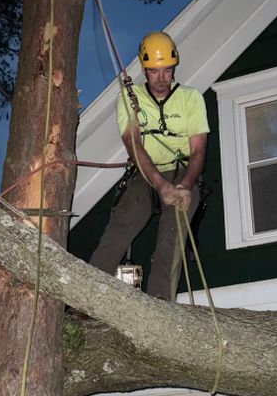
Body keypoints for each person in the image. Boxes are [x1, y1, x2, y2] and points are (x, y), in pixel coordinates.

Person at [89, 31, 209, 300]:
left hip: (182, 172)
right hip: (146, 173)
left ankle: (160, 305)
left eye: (167, 70)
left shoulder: (191, 99)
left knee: (172, 239)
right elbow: (134, 146)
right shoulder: (129, 98)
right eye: (155, 72)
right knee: (120, 229)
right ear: (144, 70)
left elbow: (199, 149)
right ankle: (88, 296)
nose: (162, 78)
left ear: (174, 68)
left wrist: (185, 186)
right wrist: (160, 184)